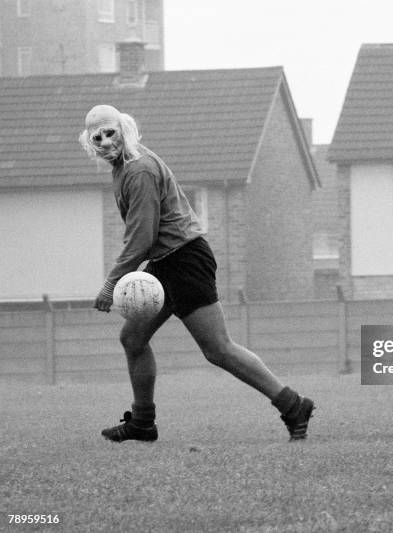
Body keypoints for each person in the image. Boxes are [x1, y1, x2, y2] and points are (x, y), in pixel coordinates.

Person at [79, 104, 314, 443]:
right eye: (96, 136)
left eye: (109, 132)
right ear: (89, 141)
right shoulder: (125, 166)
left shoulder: (138, 169)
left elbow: (142, 237)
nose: (104, 141)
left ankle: (294, 405)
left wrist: (111, 283)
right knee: (132, 338)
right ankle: (143, 423)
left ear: (124, 129)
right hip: (166, 263)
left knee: (218, 348)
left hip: (185, 260)